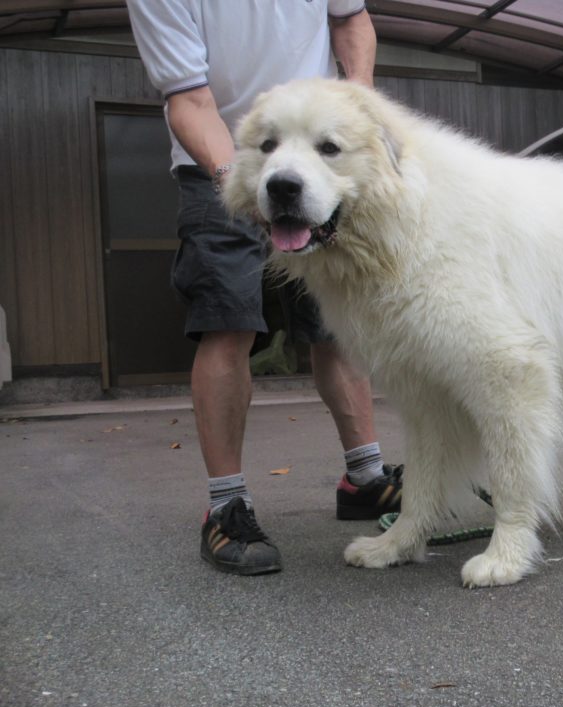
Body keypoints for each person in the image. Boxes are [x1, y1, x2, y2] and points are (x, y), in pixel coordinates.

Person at [126, 0, 402, 576]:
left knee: (335, 323)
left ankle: (365, 478)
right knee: (227, 322)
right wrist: (241, 183)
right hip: (225, 163)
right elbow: (190, 99)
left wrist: (357, 110)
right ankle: (226, 505)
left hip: (318, 154)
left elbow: (350, 19)